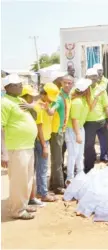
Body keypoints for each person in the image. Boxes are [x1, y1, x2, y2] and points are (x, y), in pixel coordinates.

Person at [1, 74, 38, 220]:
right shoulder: (4, 103)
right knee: (18, 180)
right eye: (18, 85)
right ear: (8, 87)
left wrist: (31, 107)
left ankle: (22, 204)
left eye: (21, 84)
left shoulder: (20, 100)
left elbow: (34, 116)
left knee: (27, 178)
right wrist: (3, 153)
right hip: (16, 147)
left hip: (28, 145)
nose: (21, 87)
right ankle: (17, 210)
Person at [84, 68, 108, 173]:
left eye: (94, 76)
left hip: (102, 121)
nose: (93, 79)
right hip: (88, 122)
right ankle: (88, 168)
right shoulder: (83, 89)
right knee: (89, 145)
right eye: (90, 77)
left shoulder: (102, 89)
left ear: (98, 78)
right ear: (86, 78)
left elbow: (107, 106)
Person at [47, 74, 73, 195]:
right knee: (58, 159)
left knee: (59, 158)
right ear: (61, 83)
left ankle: (53, 183)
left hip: (62, 131)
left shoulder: (68, 96)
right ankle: (58, 187)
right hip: (56, 132)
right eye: (65, 83)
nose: (67, 85)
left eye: (70, 83)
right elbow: (54, 108)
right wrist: (50, 110)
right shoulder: (59, 97)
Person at [19, 85, 45, 207]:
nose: (34, 99)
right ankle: (29, 199)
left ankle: (30, 198)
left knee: (30, 173)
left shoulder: (30, 107)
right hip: (28, 143)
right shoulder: (26, 107)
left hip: (28, 143)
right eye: (31, 97)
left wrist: (32, 106)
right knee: (29, 173)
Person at [34, 83, 60, 202]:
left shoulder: (46, 104)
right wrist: (44, 146)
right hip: (41, 141)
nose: (51, 99)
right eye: (49, 96)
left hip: (45, 139)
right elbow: (39, 127)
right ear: (43, 94)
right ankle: (42, 193)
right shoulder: (38, 107)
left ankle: (41, 190)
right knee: (42, 168)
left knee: (42, 167)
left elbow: (51, 113)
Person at [65, 79, 92, 186]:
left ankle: (80, 174)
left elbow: (90, 108)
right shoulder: (77, 102)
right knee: (73, 155)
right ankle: (70, 178)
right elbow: (74, 119)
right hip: (73, 130)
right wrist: (78, 134)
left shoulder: (83, 100)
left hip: (79, 129)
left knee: (80, 154)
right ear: (86, 90)